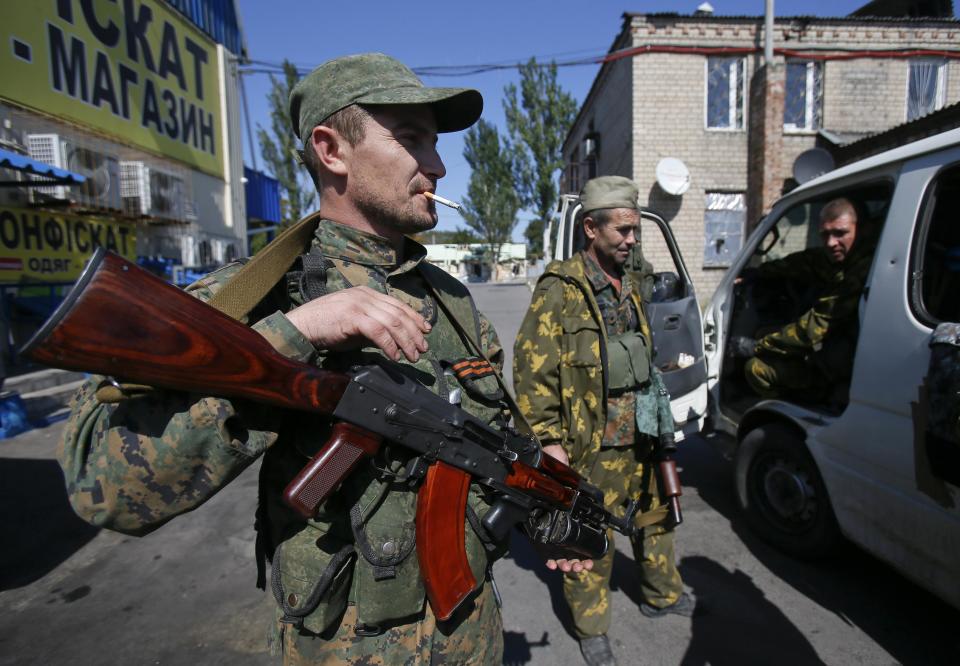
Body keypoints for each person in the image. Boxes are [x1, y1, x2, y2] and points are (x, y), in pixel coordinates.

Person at [58, 53, 587, 665]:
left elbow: (492, 438)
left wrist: (543, 486)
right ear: (331, 150)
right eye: (412, 139)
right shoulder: (251, 298)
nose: (438, 166)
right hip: (346, 649)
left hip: (468, 636)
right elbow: (106, 485)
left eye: (436, 145)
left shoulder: (453, 303)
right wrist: (297, 332)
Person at [513, 176, 696, 666]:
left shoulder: (631, 279)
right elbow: (533, 373)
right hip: (591, 443)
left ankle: (663, 594)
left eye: (636, 229)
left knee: (657, 519)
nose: (632, 239)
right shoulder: (561, 289)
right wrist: (550, 443)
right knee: (590, 537)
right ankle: (592, 627)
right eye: (623, 230)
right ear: (590, 228)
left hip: (644, 432)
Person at [734, 197, 874, 400]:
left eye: (840, 233)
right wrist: (759, 273)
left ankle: (801, 406)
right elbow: (806, 262)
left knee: (756, 368)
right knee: (768, 332)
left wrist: (755, 346)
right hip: (837, 351)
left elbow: (814, 328)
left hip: (843, 364)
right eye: (825, 234)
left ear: (863, 229)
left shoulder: (863, 269)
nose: (831, 242)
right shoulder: (842, 258)